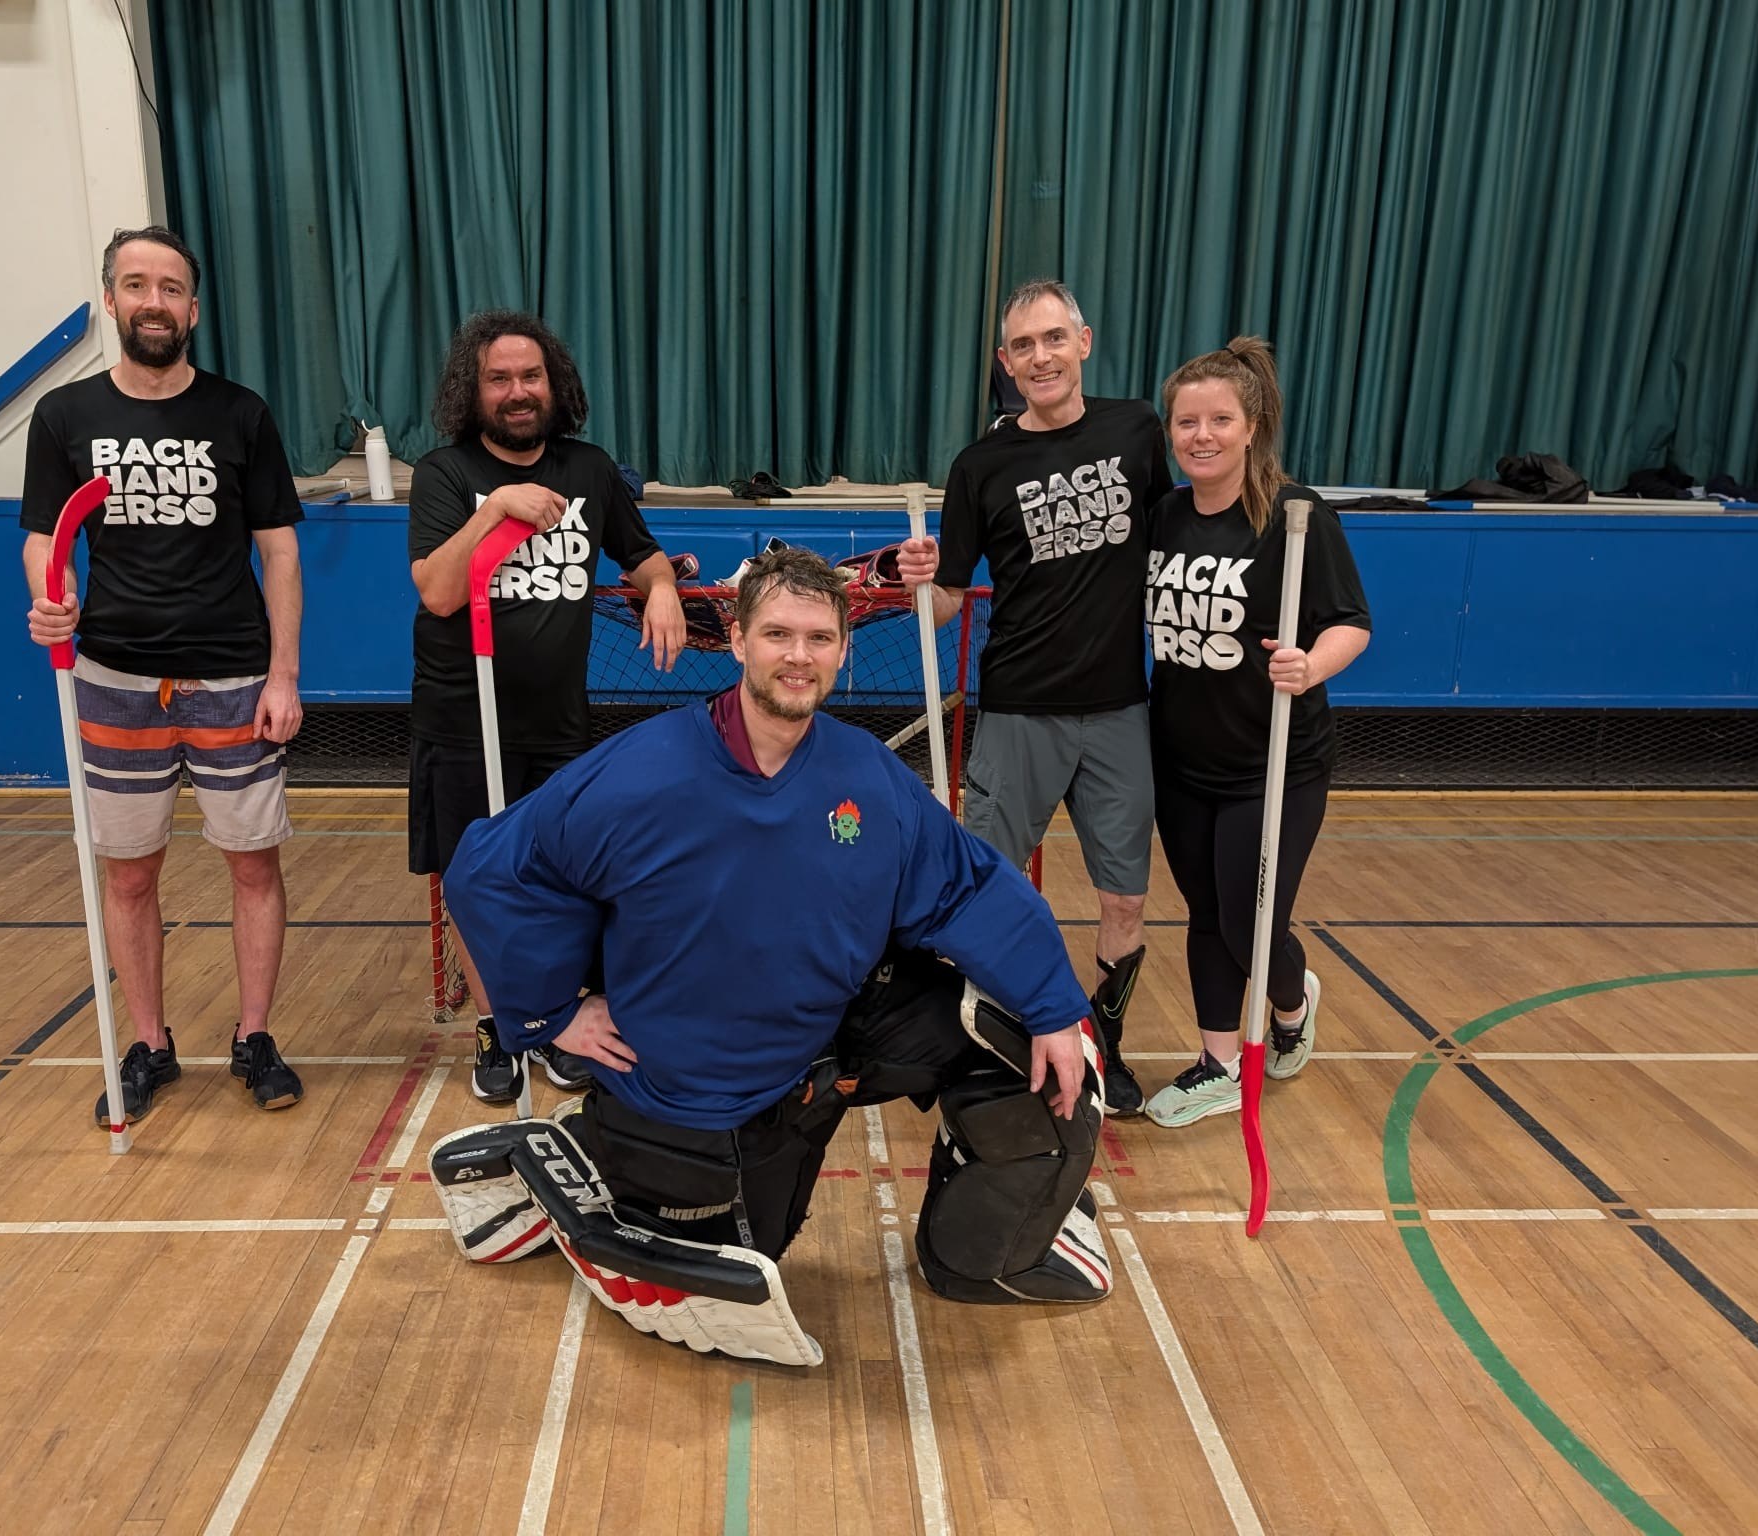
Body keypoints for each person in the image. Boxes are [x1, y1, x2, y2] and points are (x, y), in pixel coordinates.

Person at [426, 547, 1110, 1366]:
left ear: (844, 650)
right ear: (741, 640)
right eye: (778, 634)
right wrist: (548, 1014)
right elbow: (486, 870)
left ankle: (987, 1257)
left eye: (818, 638)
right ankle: (585, 1157)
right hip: (700, 1074)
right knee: (755, 1251)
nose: (798, 655)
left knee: (1039, 1047)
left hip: (835, 1025)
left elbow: (967, 887)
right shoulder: (640, 774)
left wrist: (1054, 1007)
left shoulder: (865, 772)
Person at [22, 225, 306, 1124]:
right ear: (111, 299)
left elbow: (281, 554)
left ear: (193, 308)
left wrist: (282, 675)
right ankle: (149, 1044)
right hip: (114, 678)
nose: (154, 301)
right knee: (130, 875)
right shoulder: (66, 418)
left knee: (252, 866)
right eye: (136, 284)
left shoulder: (239, 413)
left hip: (230, 675)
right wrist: (51, 602)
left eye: (171, 287)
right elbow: (44, 539)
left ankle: (254, 1037)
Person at [897, 278, 1174, 1117]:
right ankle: (993, 1047)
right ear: (1005, 364)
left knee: (1124, 896)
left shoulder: (1140, 431)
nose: (1041, 357)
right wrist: (916, 581)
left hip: (1121, 709)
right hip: (1017, 709)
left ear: (1083, 343)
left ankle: (1105, 1048)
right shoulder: (981, 464)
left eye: (1054, 338)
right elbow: (947, 597)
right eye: (1023, 346)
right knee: (989, 885)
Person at [407, 309, 685, 1105]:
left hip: (559, 722)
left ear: (554, 384)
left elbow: (641, 555)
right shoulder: (445, 475)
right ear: (475, 388)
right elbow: (438, 590)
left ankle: (553, 1018)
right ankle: (500, 1031)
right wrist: (494, 510)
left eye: (531, 376)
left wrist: (661, 588)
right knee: (474, 878)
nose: (518, 391)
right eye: (500, 378)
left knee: (565, 876)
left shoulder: (589, 469)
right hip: (464, 719)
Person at [1141, 336, 1371, 1127]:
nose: (1200, 436)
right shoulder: (1164, 515)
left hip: (1273, 763)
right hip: (1180, 761)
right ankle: (1215, 1064)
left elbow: (1352, 622)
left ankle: (1288, 1001)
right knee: (1206, 913)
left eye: (1218, 420)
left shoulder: (1294, 516)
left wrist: (1309, 665)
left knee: (1250, 919)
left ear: (1251, 424)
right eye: (1185, 422)